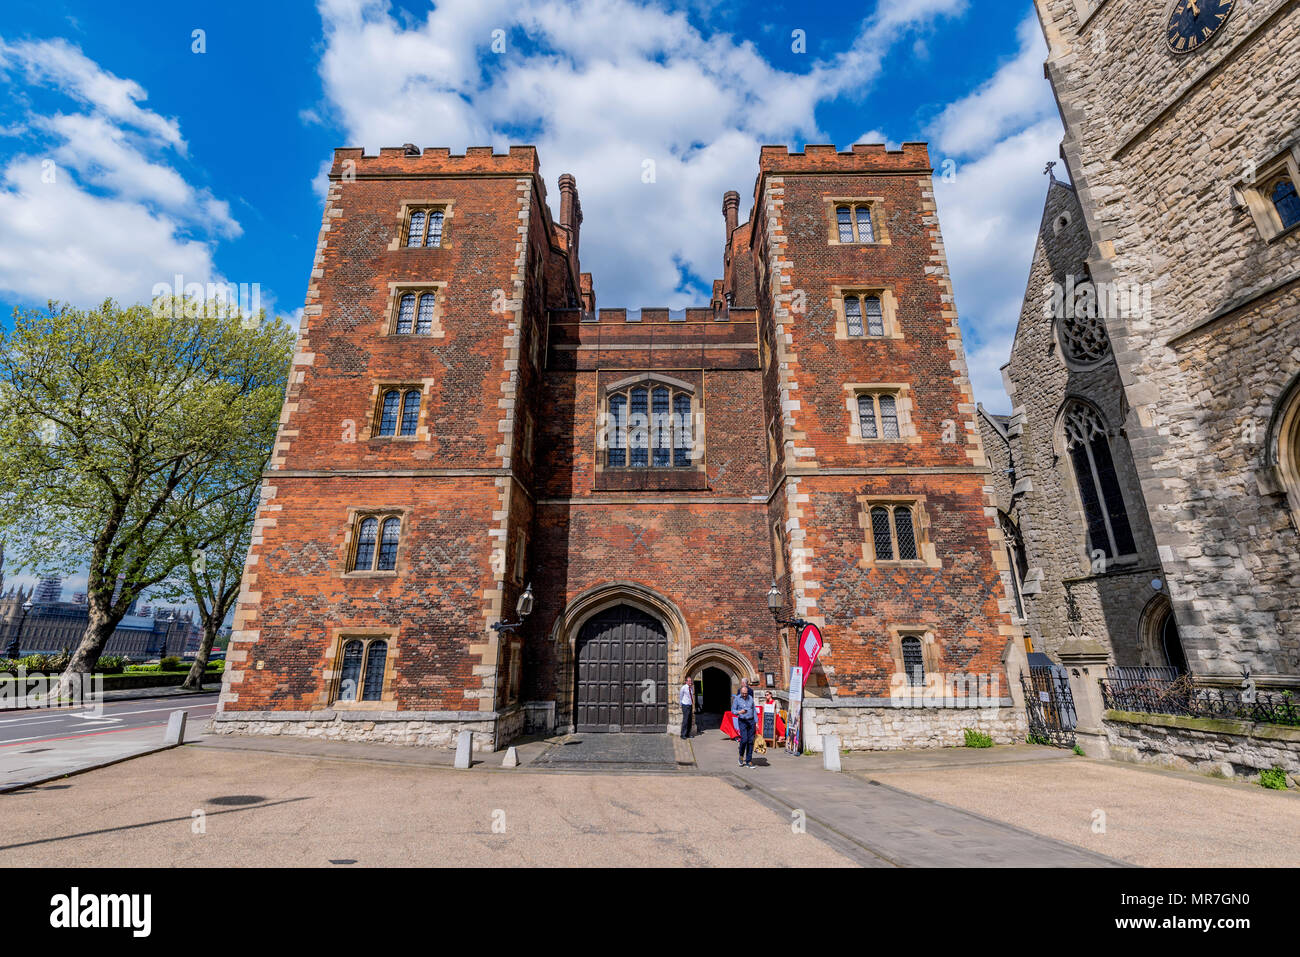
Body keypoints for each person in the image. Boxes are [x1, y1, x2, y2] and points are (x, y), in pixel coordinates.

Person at [731, 680, 757, 768]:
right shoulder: (737, 699)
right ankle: (741, 756)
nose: (744, 695)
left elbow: (754, 711)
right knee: (744, 740)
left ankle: (749, 760)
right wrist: (739, 712)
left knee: (750, 741)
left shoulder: (751, 698)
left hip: (751, 721)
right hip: (742, 721)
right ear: (741, 692)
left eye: (746, 693)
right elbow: (733, 711)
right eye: (743, 693)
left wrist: (756, 722)